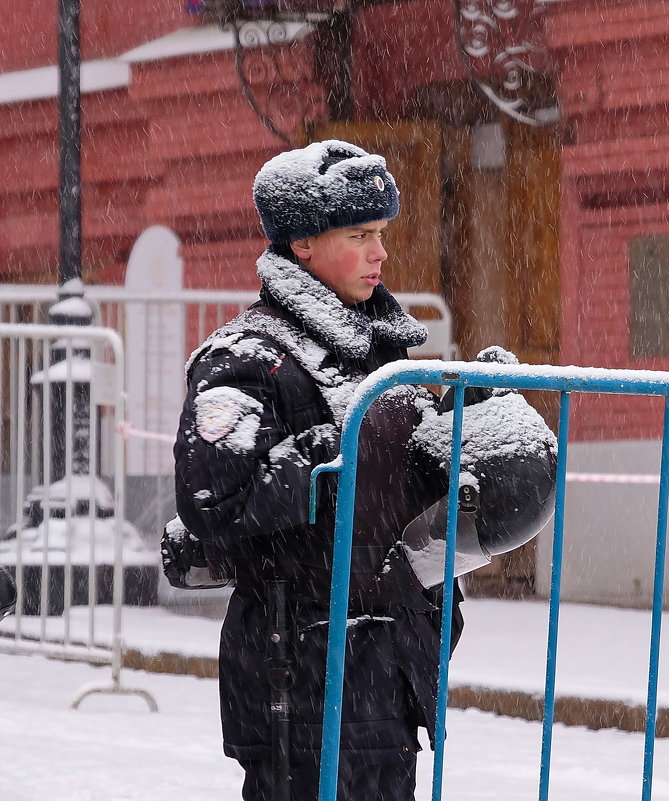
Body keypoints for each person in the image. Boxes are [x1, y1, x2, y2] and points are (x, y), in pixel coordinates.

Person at [172, 139, 557, 801]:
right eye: (358, 234)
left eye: (379, 232)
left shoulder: (383, 362)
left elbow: (399, 500)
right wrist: (339, 449)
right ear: (301, 245)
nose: (379, 251)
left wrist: (463, 437)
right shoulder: (244, 356)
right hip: (294, 675)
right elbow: (214, 496)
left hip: (386, 673)